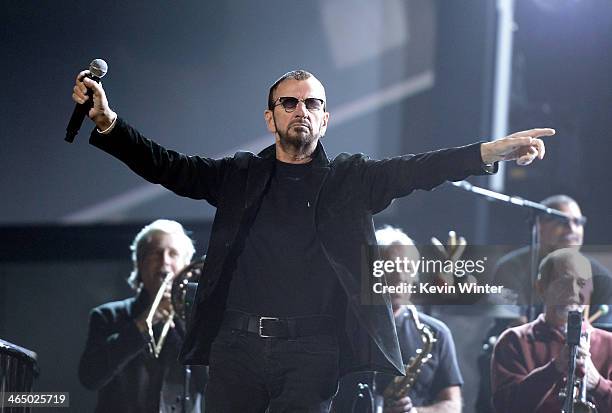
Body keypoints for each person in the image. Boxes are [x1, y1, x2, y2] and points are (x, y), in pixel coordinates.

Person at [72, 68, 553, 412]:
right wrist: (109, 124)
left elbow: (421, 168)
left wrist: (493, 151)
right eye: (290, 102)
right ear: (270, 117)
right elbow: (168, 166)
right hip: (236, 347)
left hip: (313, 350)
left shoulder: (352, 178)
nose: (301, 110)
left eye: (313, 103)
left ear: (324, 120)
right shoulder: (239, 175)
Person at [78, 219, 207, 413]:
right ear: (140, 264)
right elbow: (90, 377)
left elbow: (211, 383)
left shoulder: (198, 321)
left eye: (173, 253)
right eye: (156, 253)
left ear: (186, 265)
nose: (165, 262)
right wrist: (142, 324)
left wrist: (185, 321)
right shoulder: (108, 316)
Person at [332, 226, 463, 413]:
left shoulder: (437, 333)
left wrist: (416, 412)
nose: (401, 277)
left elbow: (452, 405)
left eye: (408, 268)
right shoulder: (340, 326)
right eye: (391, 267)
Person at [491, 248, 612, 412]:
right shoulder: (513, 340)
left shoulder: (609, 344)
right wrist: (554, 368)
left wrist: (598, 384)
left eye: (582, 283)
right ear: (541, 288)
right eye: (564, 282)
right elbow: (506, 407)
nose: (574, 291)